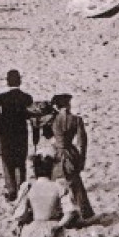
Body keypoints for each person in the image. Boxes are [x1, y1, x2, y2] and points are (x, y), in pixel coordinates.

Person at [0, 70, 38, 201]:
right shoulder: (27, 98)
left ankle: (11, 191)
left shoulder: (1, 99)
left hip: (5, 137)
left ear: (7, 81)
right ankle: (22, 188)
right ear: (20, 81)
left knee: (7, 163)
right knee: (21, 163)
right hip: (21, 136)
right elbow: (33, 116)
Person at [40, 93, 94, 221]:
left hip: (57, 153)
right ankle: (84, 213)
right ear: (68, 105)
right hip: (71, 152)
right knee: (75, 183)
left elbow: (46, 134)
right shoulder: (76, 120)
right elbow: (82, 142)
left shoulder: (52, 119)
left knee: (55, 183)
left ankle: (56, 212)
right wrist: (82, 159)